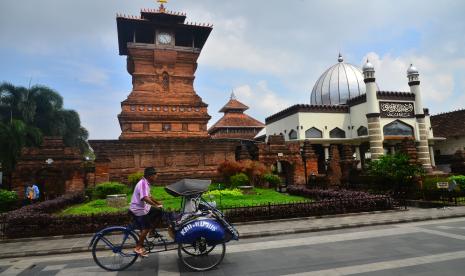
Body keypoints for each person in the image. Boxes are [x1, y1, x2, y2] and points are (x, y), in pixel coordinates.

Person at [129, 167, 163, 257]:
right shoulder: (143, 183)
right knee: (146, 228)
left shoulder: (146, 183)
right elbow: (144, 197)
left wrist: (158, 203)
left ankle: (151, 232)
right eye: (155, 175)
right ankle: (138, 247)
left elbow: (149, 196)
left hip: (143, 207)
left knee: (158, 211)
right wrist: (155, 205)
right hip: (138, 209)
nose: (156, 177)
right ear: (150, 176)